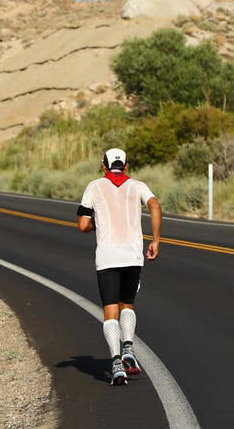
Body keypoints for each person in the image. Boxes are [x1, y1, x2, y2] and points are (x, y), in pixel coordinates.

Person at [76, 148, 162, 386]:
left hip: (107, 257)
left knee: (110, 310)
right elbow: (155, 206)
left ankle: (116, 363)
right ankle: (128, 349)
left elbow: (83, 224)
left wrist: (100, 224)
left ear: (103, 166)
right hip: (133, 256)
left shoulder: (93, 187)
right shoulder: (139, 186)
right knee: (128, 304)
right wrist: (155, 240)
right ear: (126, 166)